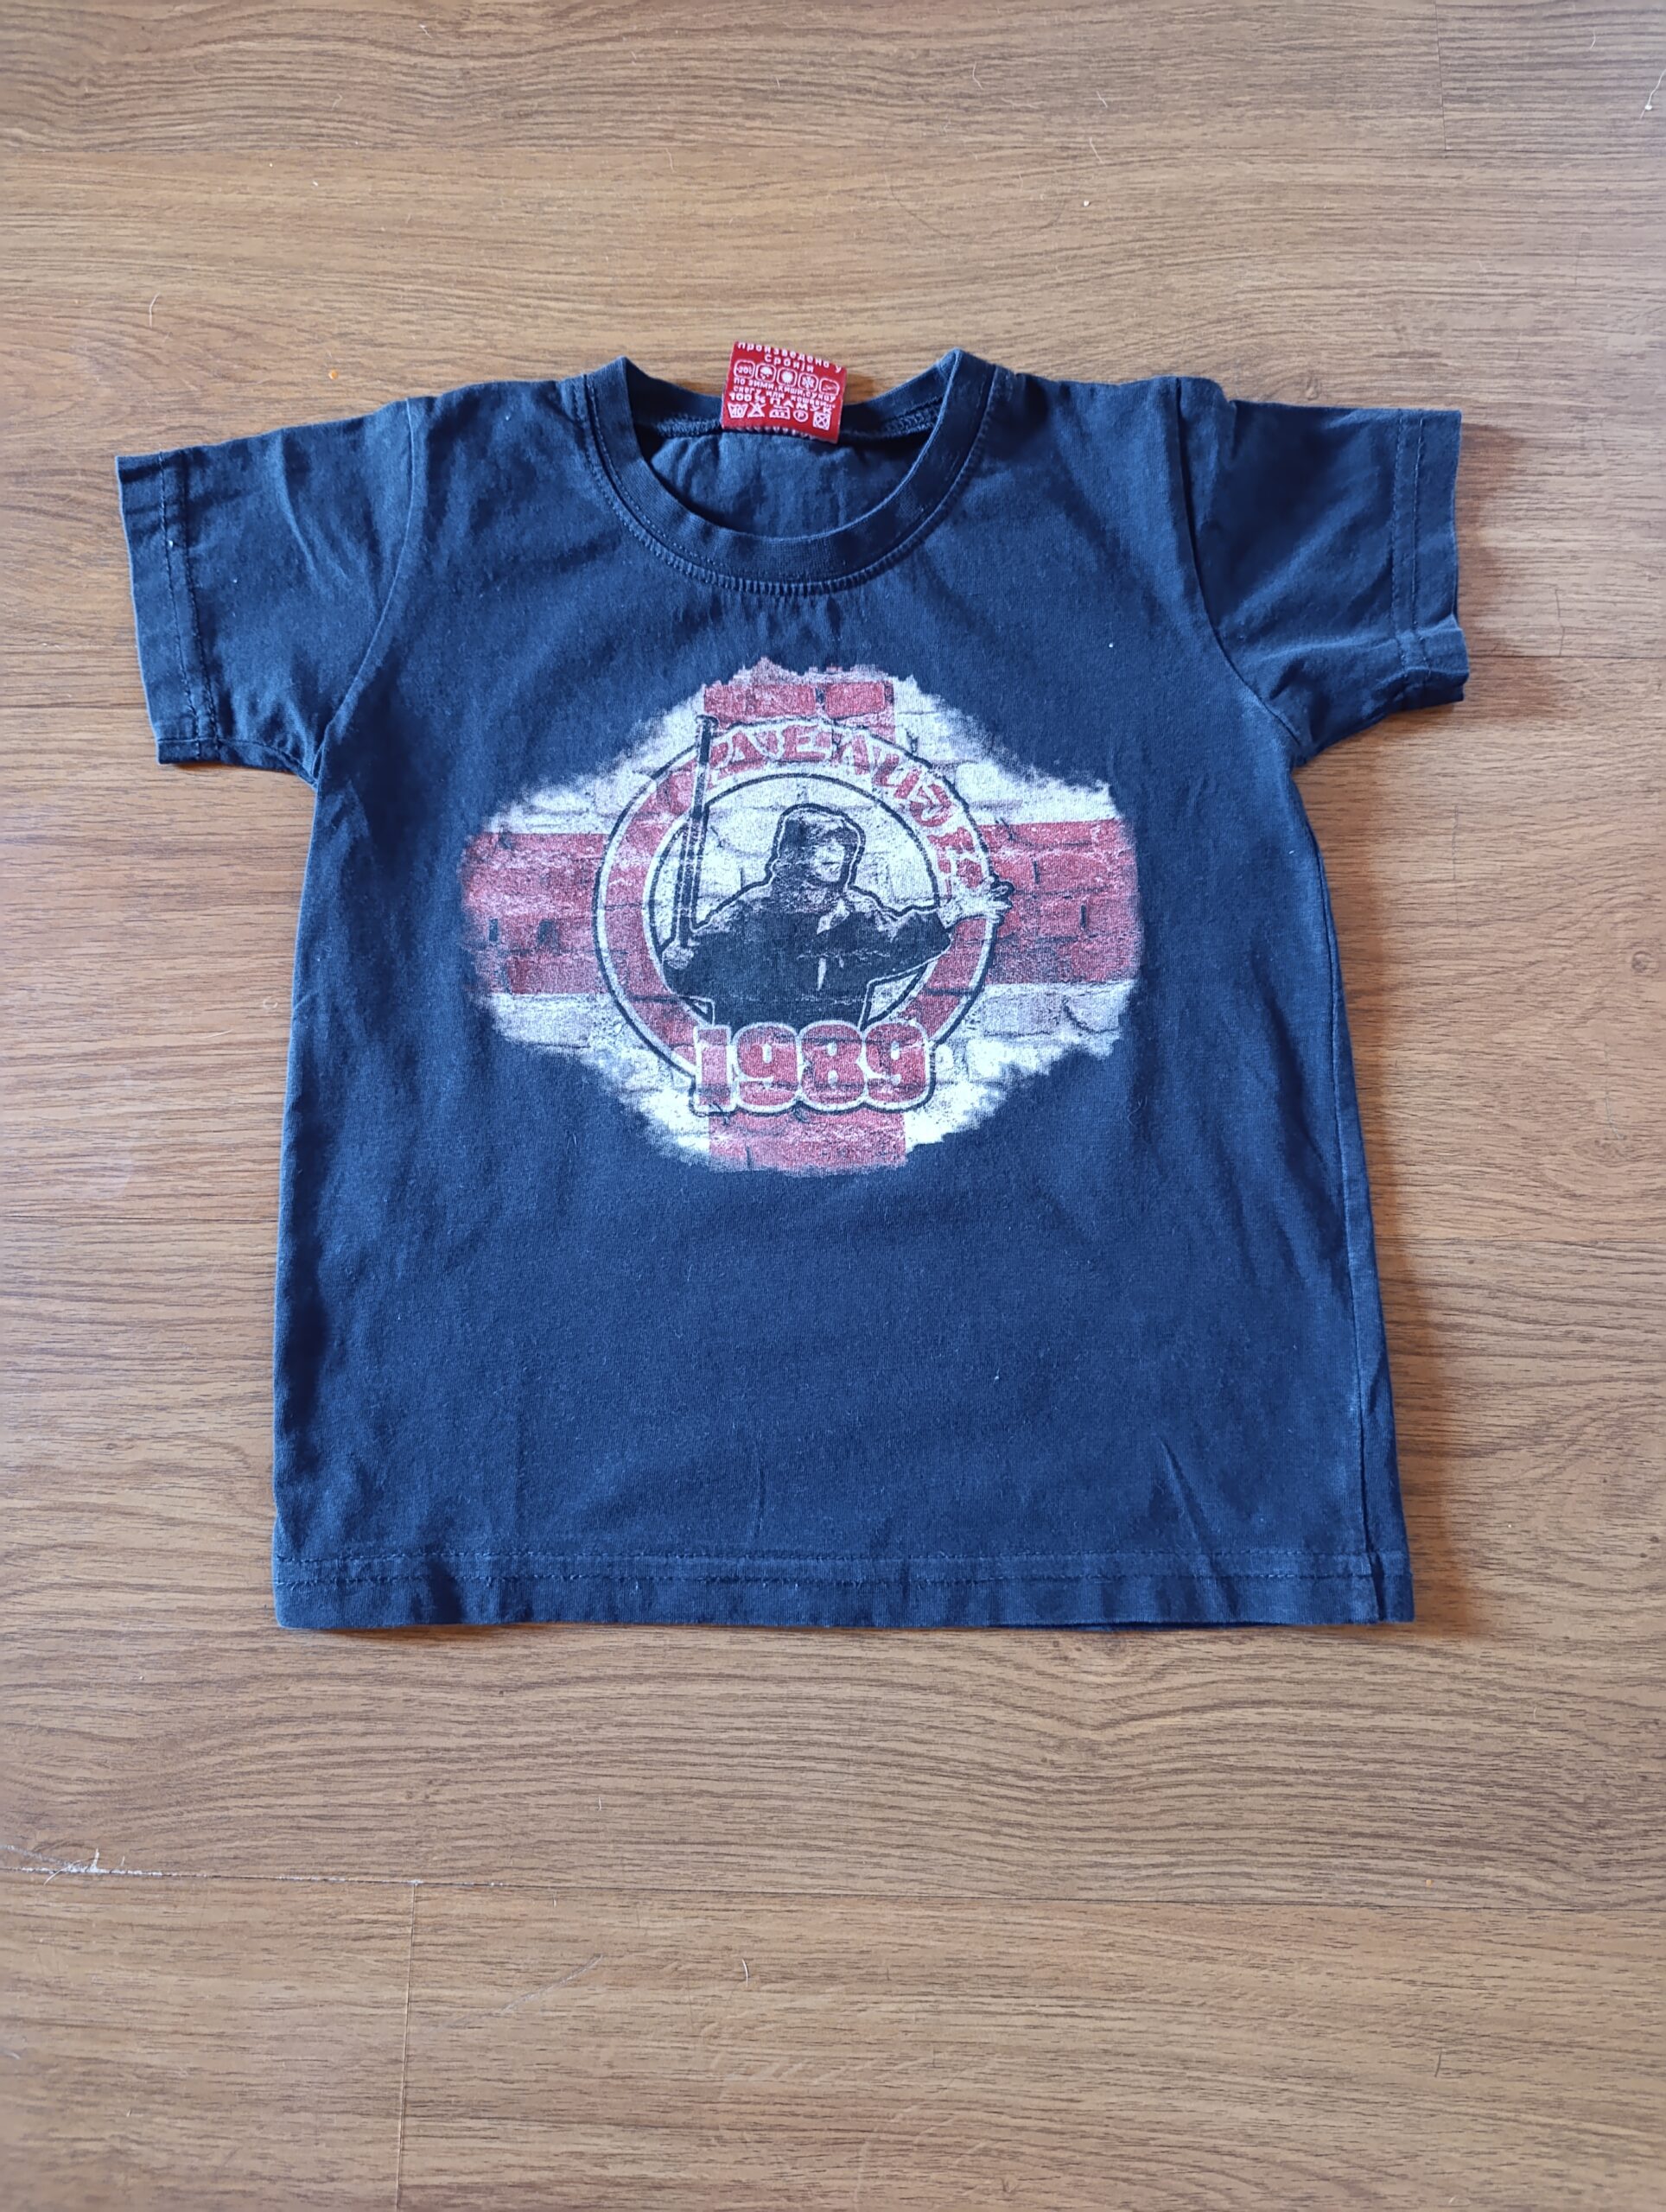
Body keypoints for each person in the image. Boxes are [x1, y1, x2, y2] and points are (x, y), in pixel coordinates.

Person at [660, 801, 1010, 1031]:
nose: (836, 855)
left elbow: (897, 941)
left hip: (835, 1073)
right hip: (753, 1069)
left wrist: (956, 911)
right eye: (824, 846)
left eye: (841, 847)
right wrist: (680, 963)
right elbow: (694, 974)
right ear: (796, 854)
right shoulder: (748, 914)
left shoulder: (855, 914)